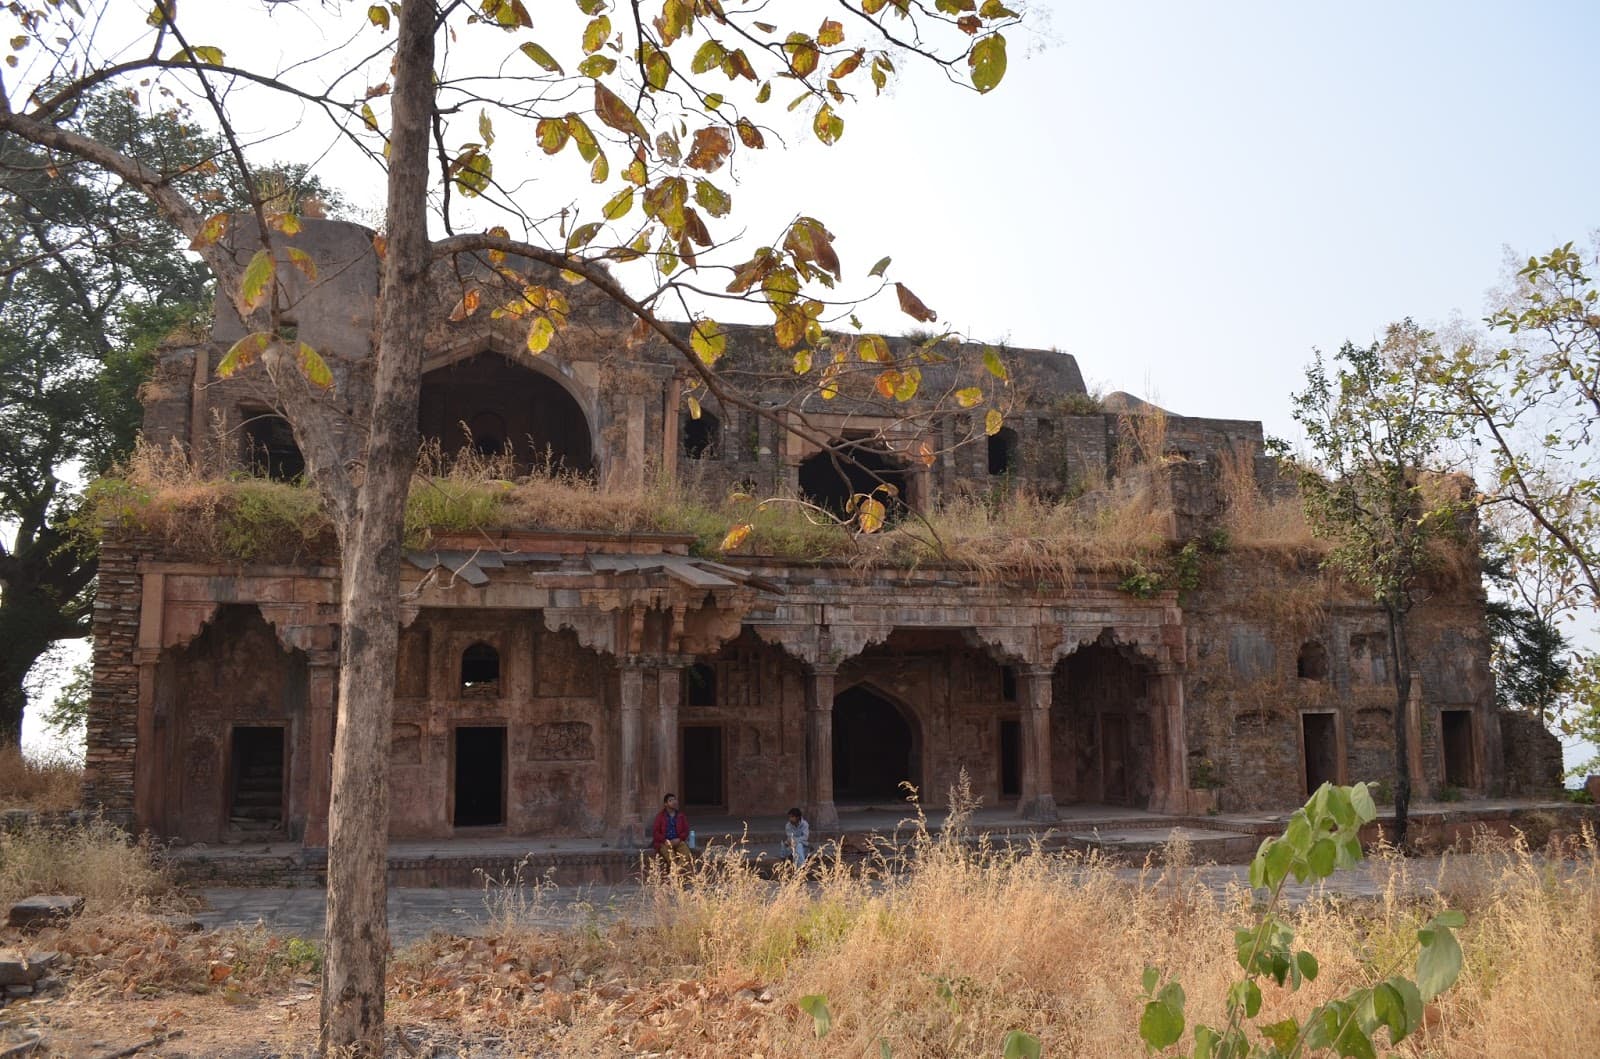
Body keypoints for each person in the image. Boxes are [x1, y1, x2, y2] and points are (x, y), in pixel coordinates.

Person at [652, 793, 690, 863]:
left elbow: (686, 830)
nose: (674, 802)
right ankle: (676, 872)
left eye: (674, 800)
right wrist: (664, 840)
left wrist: (680, 839)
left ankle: (676, 872)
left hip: (678, 841)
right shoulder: (660, 816)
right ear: (666, 804)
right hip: (665, 843)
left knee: (686, 856)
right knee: (672, 860)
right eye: (670, 800)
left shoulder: (681, 816)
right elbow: (655, 832)